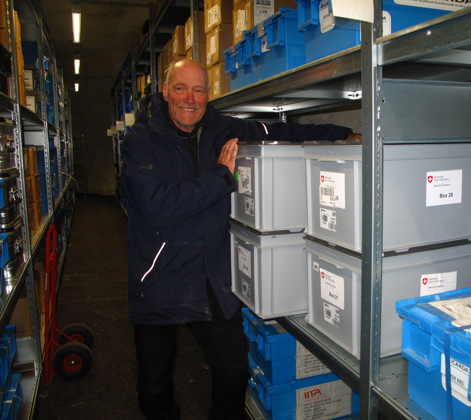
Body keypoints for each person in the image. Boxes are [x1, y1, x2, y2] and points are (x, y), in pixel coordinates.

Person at [120, 58, 361, 420]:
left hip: (211, 276)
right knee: (155, 383)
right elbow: (158, 207)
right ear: (166, 91)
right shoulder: (141, 139)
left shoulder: (221, 128)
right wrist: (221, 177)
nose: (190, 98)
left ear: (208, 94)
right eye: (181, 88)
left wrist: (340, 134)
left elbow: (275, 132)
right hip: (158, 278)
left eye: (199, 89)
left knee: (232, 373)